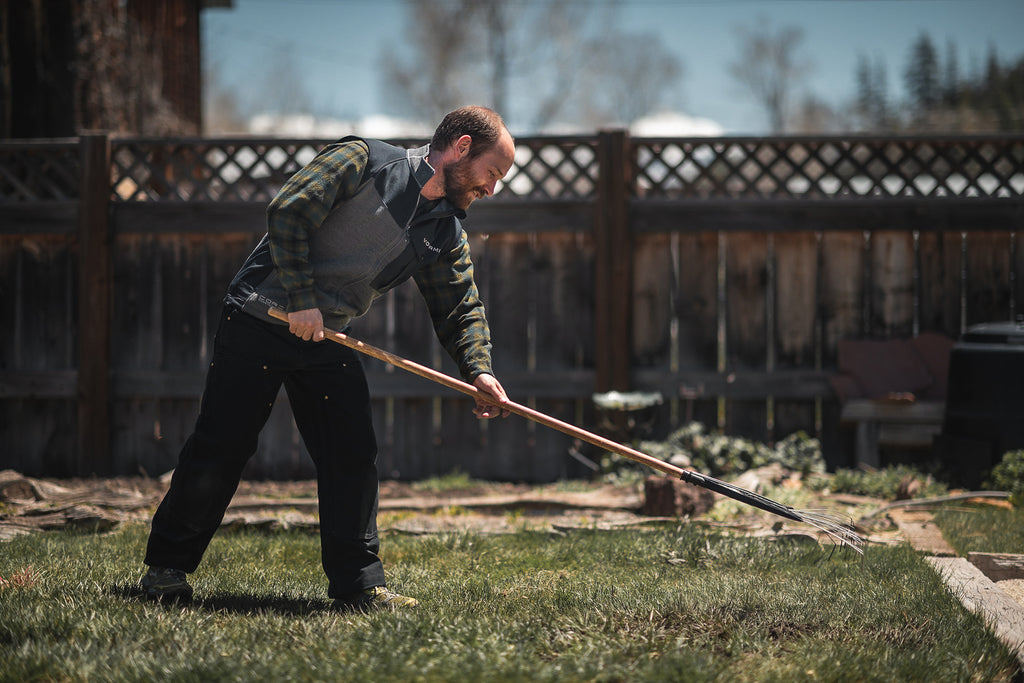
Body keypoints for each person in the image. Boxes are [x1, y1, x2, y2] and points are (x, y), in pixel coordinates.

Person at [140, 105, 516, 611]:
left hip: (327, 339)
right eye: (492, 173)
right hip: (260, 316)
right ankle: (166, 570)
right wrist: (300, 298)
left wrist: (481, 371)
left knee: (351, 455)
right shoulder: (363, 160)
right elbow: (288, 210)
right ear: (463, 147)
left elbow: (460, 307)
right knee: (222, 444)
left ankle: (358, 585)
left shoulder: (444, 230)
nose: (491, 189)